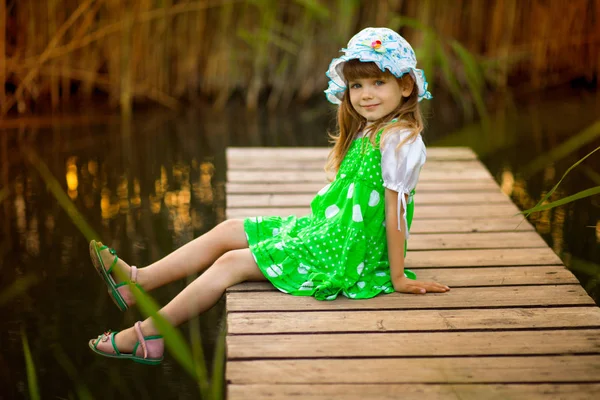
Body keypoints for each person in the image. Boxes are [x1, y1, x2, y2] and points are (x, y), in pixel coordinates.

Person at [88, 27, 450, 364]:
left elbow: (395, 211)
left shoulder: (400, 140)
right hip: (335, 232)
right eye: (356, 85)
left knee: (232, 263)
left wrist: (398, 276)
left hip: (351, 252)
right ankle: (140, 281)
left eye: (378, 82)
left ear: (405, 87)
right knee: (231, 228)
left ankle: (148, 336)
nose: (365, 93)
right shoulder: (373, 130)